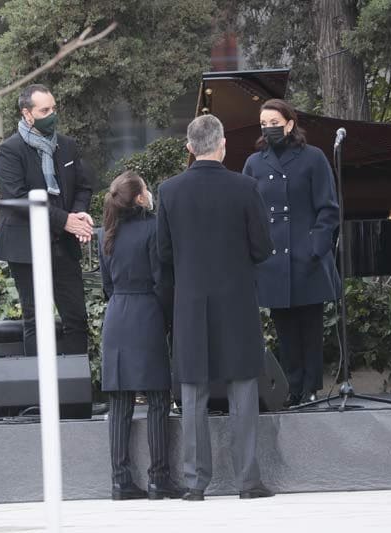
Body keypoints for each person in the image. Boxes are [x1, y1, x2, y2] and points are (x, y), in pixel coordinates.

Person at [156, 114, 275, 501]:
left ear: (189, 148)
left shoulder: (169, 191)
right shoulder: (246, 187)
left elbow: (164, 254)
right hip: (237, 301)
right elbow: (262, 248)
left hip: (190, 303)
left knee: (193, 393)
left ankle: (195, 483)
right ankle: (248, 481)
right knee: (243, 389)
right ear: (222, 144)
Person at [242, 98, 341, 406]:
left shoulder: (313, 158)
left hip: (306, 256)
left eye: (274, 122)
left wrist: (316, 247)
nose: (269, 128)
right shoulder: (254, 163)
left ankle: (311, 388)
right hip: (272, 260)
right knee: (284, 330)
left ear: (289, 123)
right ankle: (291, 389)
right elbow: (248, 211)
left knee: (311, 329)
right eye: (264, 124)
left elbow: (328, 208)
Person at [99, 171, 181, 501]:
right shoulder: (152, 228)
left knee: (120, 402)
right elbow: (163, 279)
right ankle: (159, 478)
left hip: (116, 314)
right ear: (139, 198)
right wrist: (166, 316)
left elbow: (106, 284)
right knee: (158, 399)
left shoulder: (109, 233)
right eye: (146, 189)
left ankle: (120, 480)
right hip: (147, 312)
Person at [0, 84, 94, 356]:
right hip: (26, 248)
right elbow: (19, 198)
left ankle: (75, 394)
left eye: (53, 108)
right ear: (27, 114)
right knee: (36, 320)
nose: (52, 114)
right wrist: (65, 220)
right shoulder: (10, 151)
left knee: (76, 319)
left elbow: (83, 187)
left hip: (63, 246)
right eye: (44, 110)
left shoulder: (67, 146)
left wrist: (79, 214)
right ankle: (38, 393)